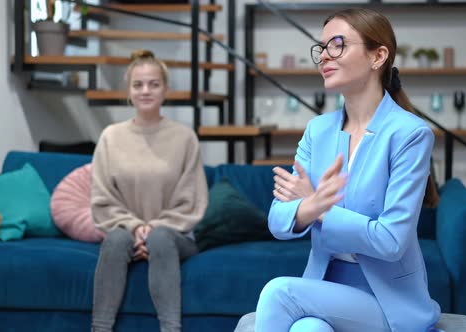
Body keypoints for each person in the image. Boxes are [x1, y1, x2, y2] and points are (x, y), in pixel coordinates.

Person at [254, 8, 441, 332]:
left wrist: (318, 209)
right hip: (325, 287)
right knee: (306, 330)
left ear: (377, 56)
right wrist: (311, 205)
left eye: (337, 45)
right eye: (322, 48)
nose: (325, 56)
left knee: (278, 292)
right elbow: (278, 220)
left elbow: (391, 240)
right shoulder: (318, 130)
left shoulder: (410, 134)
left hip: (388, 300)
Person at [90, 49, 208, 332]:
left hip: (175, 236)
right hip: (125, 232)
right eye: (138, 85)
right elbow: (102, 198)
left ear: (165, 90)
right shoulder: (110, 137)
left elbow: (191, 199)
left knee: (161, 239)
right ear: (128, 91)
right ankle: (99, 328)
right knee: (116, 240)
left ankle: (171, 329)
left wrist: (154, 228)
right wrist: (135, 228)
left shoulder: (184, 138)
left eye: (154, 84)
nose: (146, 91)